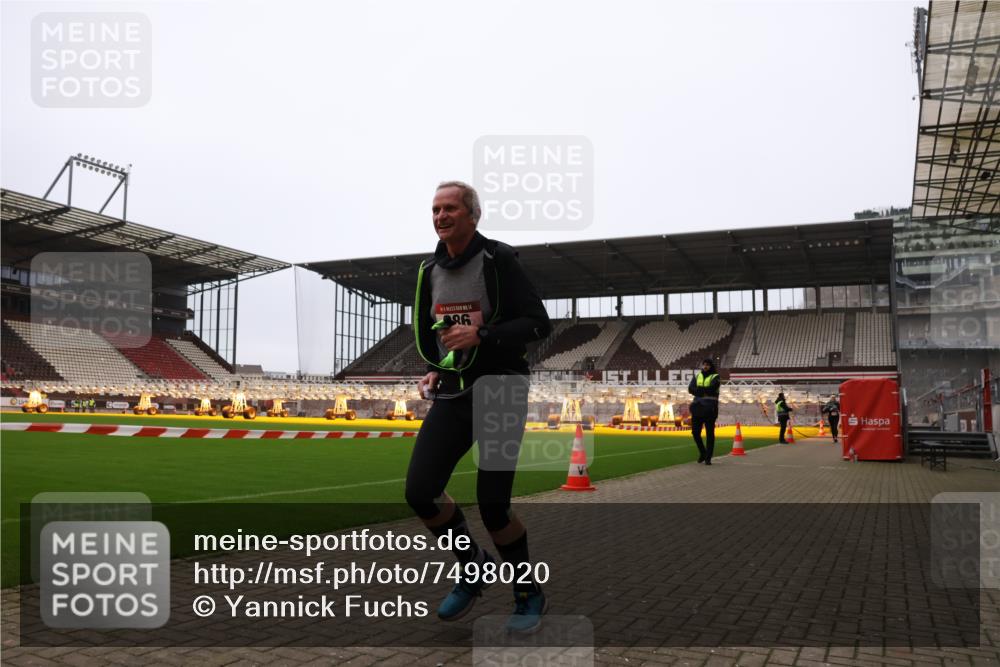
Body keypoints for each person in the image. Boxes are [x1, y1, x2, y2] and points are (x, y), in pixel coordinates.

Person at [406, 181, 552, 632]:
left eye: (450, 208)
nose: (440, 215)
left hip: (502, 387)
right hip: (454, 388)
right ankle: (473, 566)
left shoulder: (498, 259)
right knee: (420, 491)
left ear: (473, 214)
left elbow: (538, 323)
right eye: (435, 209)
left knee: (493, 504)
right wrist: (437, 366)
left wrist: (483, 335)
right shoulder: (429, 269)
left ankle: (527, 592)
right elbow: (439, 334)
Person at [687, 358, 721, 465]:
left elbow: (712, 389)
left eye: (707, 365)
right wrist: (703, 391)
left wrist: (698, 391)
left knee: (709, 433)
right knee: (695, 433)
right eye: (704, 364)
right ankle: (703, 452)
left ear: (711, 366)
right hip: (698, 408)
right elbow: (690, 389)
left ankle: (708, 457)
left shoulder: (716, 376)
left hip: (710, 409)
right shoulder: (697, 376)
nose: (705, 366)